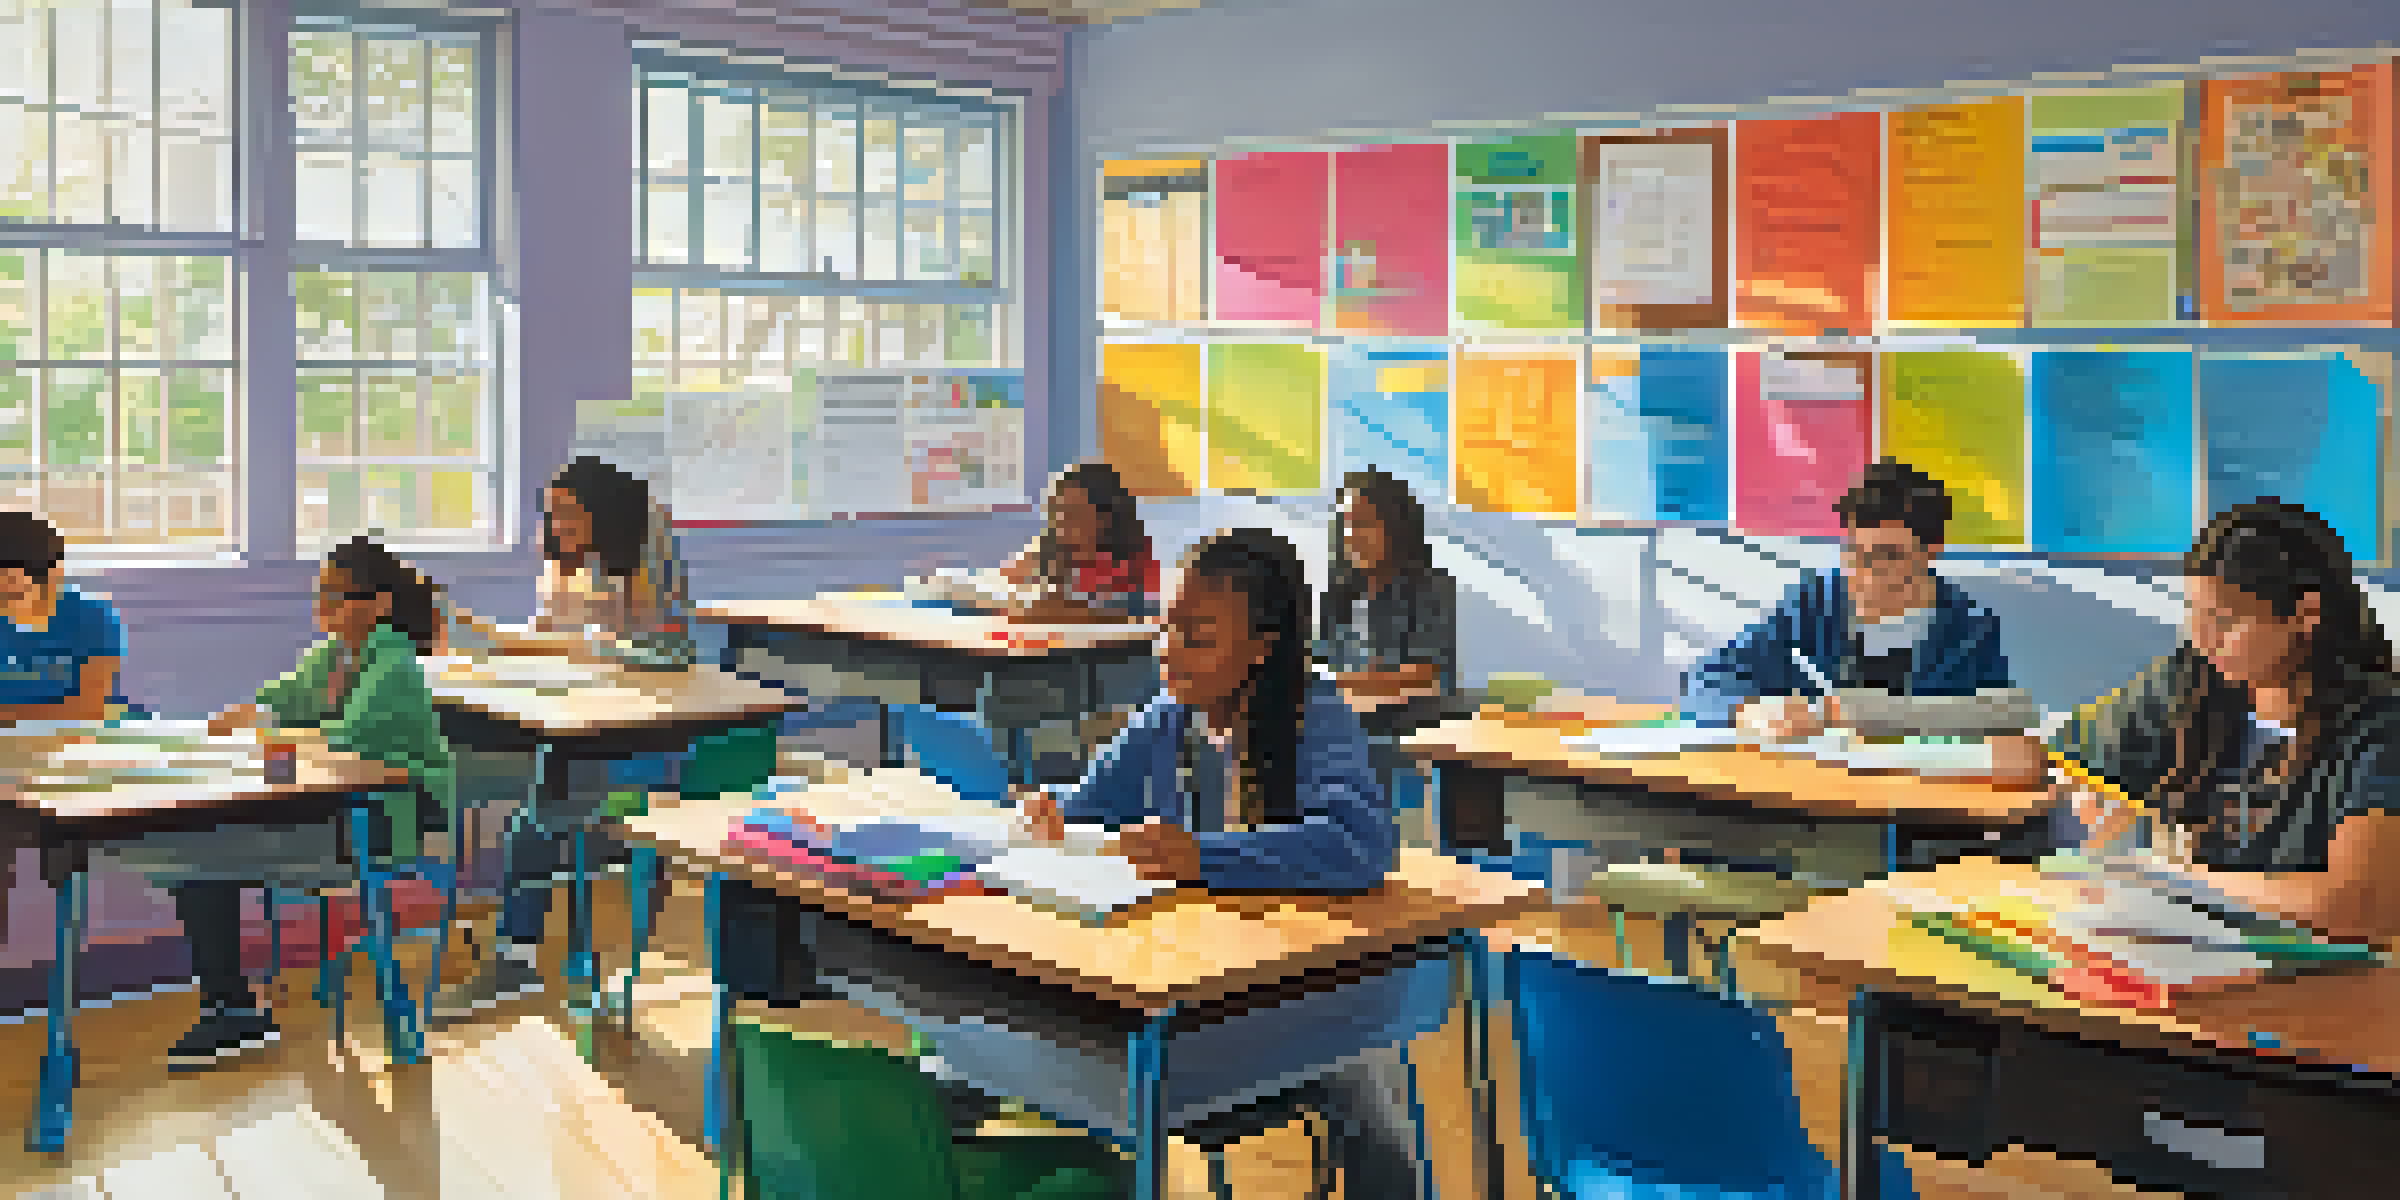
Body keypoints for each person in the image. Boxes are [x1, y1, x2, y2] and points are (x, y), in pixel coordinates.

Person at [1022, 528, 1420, 1196]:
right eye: (1168, 628)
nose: (1170, 650)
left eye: (1198, 637)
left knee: (1356, 1076)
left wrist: (1201, 857)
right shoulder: (1166, 718)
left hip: (1299, 984)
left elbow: (1361, 843)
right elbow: (1093, 803)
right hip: (1191, 974)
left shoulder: (1312, 715)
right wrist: (1052, 809)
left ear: (1261, 650)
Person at [114, 538, 454, 1069]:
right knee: (196, 857)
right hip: (329, 810)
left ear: (380, 604)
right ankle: (231, 1008)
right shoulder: (333, 655)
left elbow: (348, 741)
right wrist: (239, 718)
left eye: (338, 596)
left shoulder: (394, 662)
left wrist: (275, 729)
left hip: (382, 818)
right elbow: (281, 700)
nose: (323, 608)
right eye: (321, 594)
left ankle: (231, 1011)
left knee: (201, 865)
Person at [2055, 499, 2400, 942]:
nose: (2202, 638)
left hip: (2318, 985)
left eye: (2224, 620)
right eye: (2193, 613)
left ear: (2305, 615)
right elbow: (2068, 754)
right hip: (2186, 953)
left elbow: (2356, 908)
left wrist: (2173, 879)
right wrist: (2092, 794)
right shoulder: (2193, 678)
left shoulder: (2380, 726)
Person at [432, 456, 696, 1024]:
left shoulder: (646, 552)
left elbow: (668, 649)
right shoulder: (564, 560)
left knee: (543, 827)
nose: (558, 528)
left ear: (606, 514)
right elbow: (551, 633)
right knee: (530, 821)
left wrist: (548, 648)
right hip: (571, 721)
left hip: (635, 734)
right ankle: (517, 958)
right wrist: (492, 641)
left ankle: (540, 961)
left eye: (571, 516)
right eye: (552, 515)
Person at [1680, 458, 2037, 740]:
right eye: (1854, 551)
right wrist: (1749, 711)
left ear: (1931, 551)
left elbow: (2002, 717)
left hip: (1921, 801)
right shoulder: (1813, 607)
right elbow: (1705, 682)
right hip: (1821, 796)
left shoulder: (1969, 627)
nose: (1865, 572)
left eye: (1888, 554)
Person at [0, 510, 128, 937]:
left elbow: (90, 710)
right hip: (12, 768)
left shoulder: (91, 616)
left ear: (47, 576)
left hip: (74, 761)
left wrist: (11, 715)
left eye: (13, 589)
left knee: (66, 861)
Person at [1315, 467, 1459, 820]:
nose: (1352, 536)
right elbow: (1319, 657)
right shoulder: (1338, 593)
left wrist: (1332, 682)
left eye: (1364, 525)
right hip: (1342, 726)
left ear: (1395, 529)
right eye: (1346, 524)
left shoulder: (1429, 589)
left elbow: (1423, 678)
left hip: (1403, 731)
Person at [998, 461, 1159, 622]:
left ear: (1105, 518)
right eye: (1057, 513)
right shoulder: (1055, 554)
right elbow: (1009, 584)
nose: (1060, 525)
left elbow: (1142, 615)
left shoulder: (1134, 562)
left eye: (1072, 514)